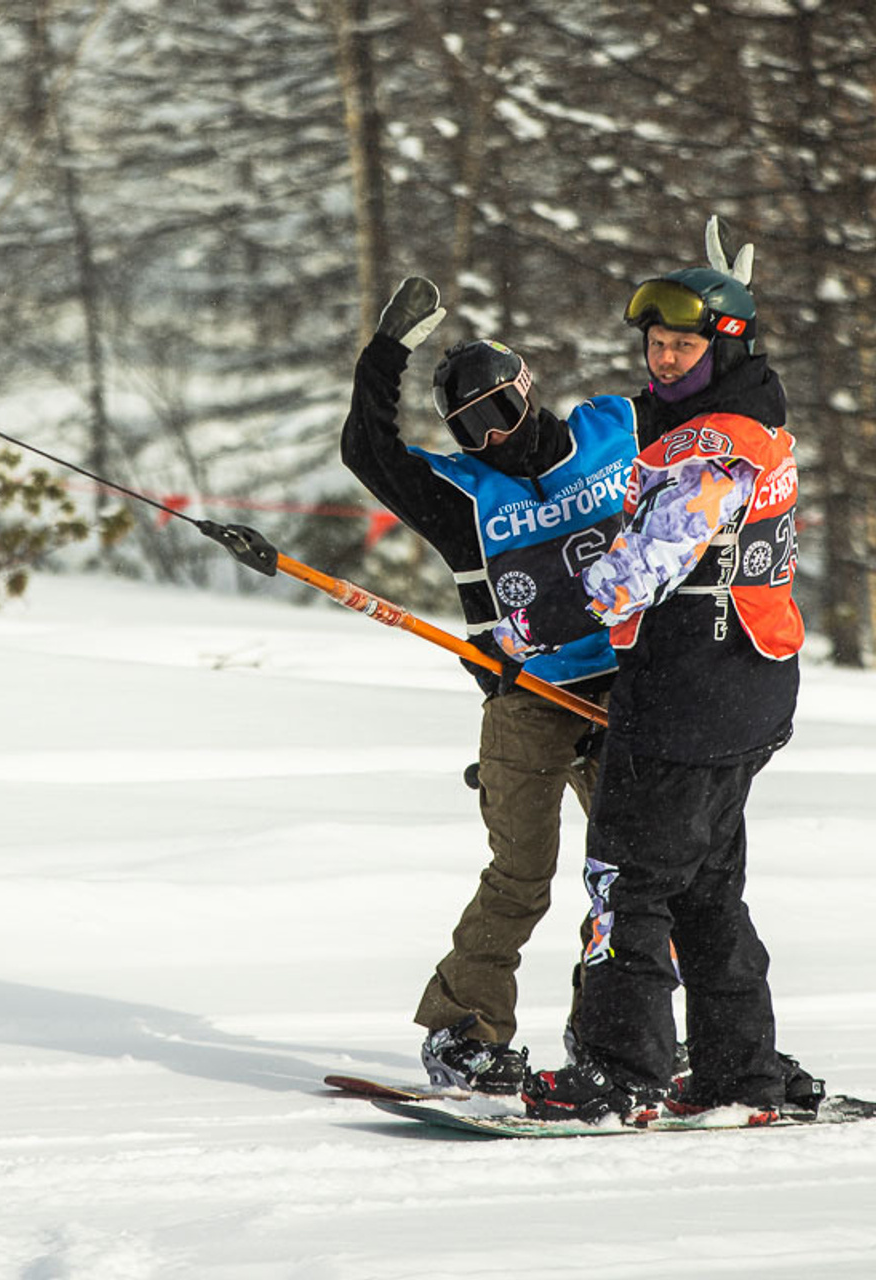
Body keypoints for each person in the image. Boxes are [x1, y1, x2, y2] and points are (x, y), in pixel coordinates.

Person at [492, 230, 810, 1124]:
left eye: (685, 345)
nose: (665, 359)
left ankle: (620, 1070)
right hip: (744, 690)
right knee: (707, 888)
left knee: (625, 884)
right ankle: (737, 1071)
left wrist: (543, 616)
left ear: (729, 347)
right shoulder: (750, 419)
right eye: (657, 344)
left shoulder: (719, 446)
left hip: (689, 696)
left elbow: (649, 563)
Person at [340, 276, 639, 1093]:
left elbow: (710, 415)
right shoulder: (463, 494)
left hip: (632, 692)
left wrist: (729, 326)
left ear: (528, 391)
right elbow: (369, 452)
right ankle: (463, 1034)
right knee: (519, 876)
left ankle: (618, 1030)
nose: (492, 435)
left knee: (640, 877)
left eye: (501, 411)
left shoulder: (614, 433)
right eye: (469, 426)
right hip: (528, 705)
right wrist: (387, 352)